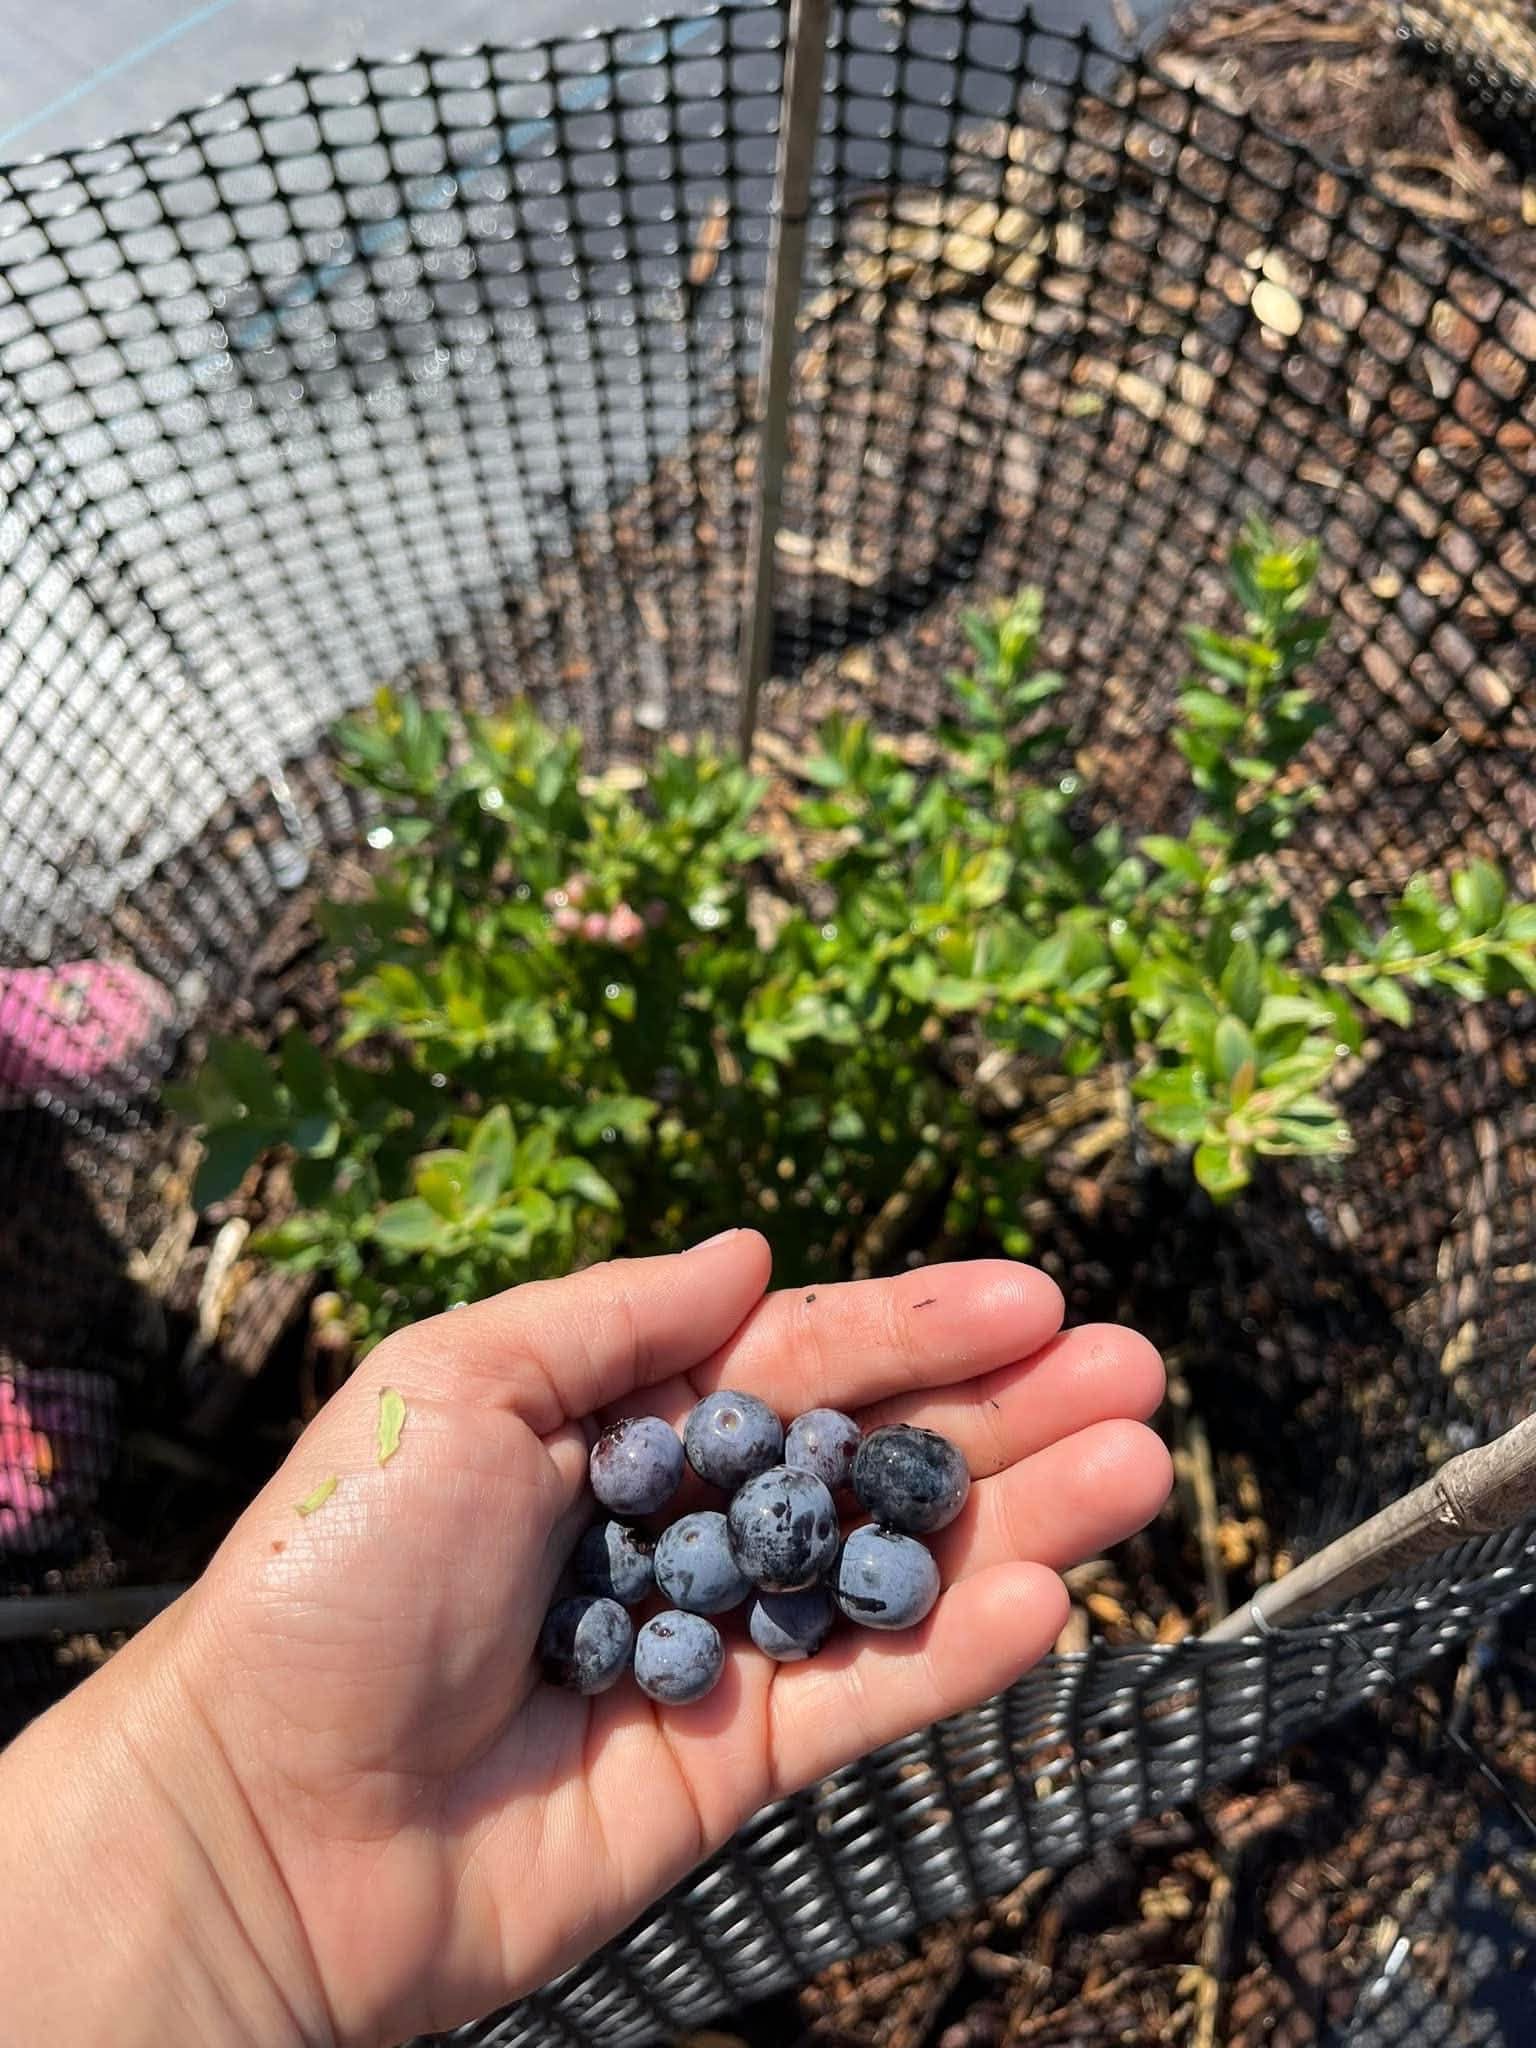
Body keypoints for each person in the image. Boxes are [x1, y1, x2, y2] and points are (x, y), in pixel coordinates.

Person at [0, 1234, 1171, 2046]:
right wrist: (214, 1813)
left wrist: (209, 1819)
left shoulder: (766, 1511)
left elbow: (764, 1553)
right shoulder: (681, 1546)